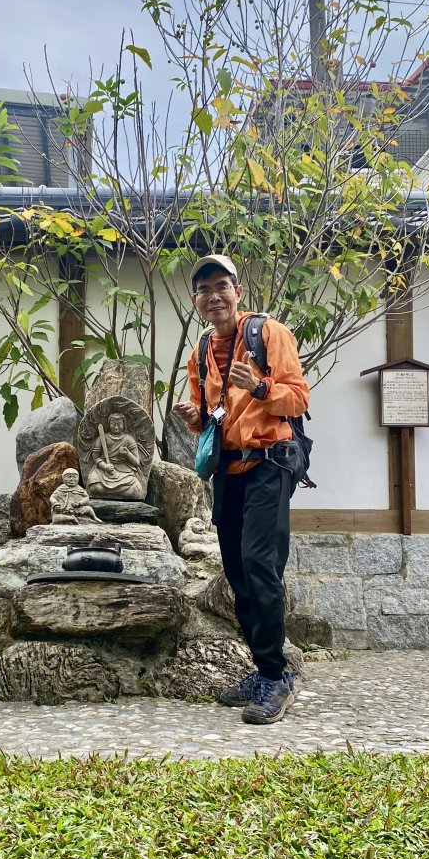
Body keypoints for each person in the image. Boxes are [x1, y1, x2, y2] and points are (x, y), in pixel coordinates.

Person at [173, 254, 310, 725]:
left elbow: (298, 397)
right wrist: (193, 418)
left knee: (259, 562)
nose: (215, 296)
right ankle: (263, 669)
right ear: (196, 301)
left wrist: (259, 386)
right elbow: (208, 414)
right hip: (228, 470)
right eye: (205, 290)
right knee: (236, 570)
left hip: (271, 463)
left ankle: (276, 676)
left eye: (222, 286)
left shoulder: (268, 333)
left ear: (238, 291)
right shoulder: (201, 352)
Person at [86, 412, 144, 499]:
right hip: (103, 470)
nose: (116, 427)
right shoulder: (103, 438)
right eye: (113, 424)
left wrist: (127, 454)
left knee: (137, 491)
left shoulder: (129, 439)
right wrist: (105, 466)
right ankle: (118, 493)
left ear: (124, 424)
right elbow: (95, 457)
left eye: (119, 424)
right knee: (94, 487)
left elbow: (136, 463)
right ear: (109, 424)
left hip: (124, 471)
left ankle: (110, 493)